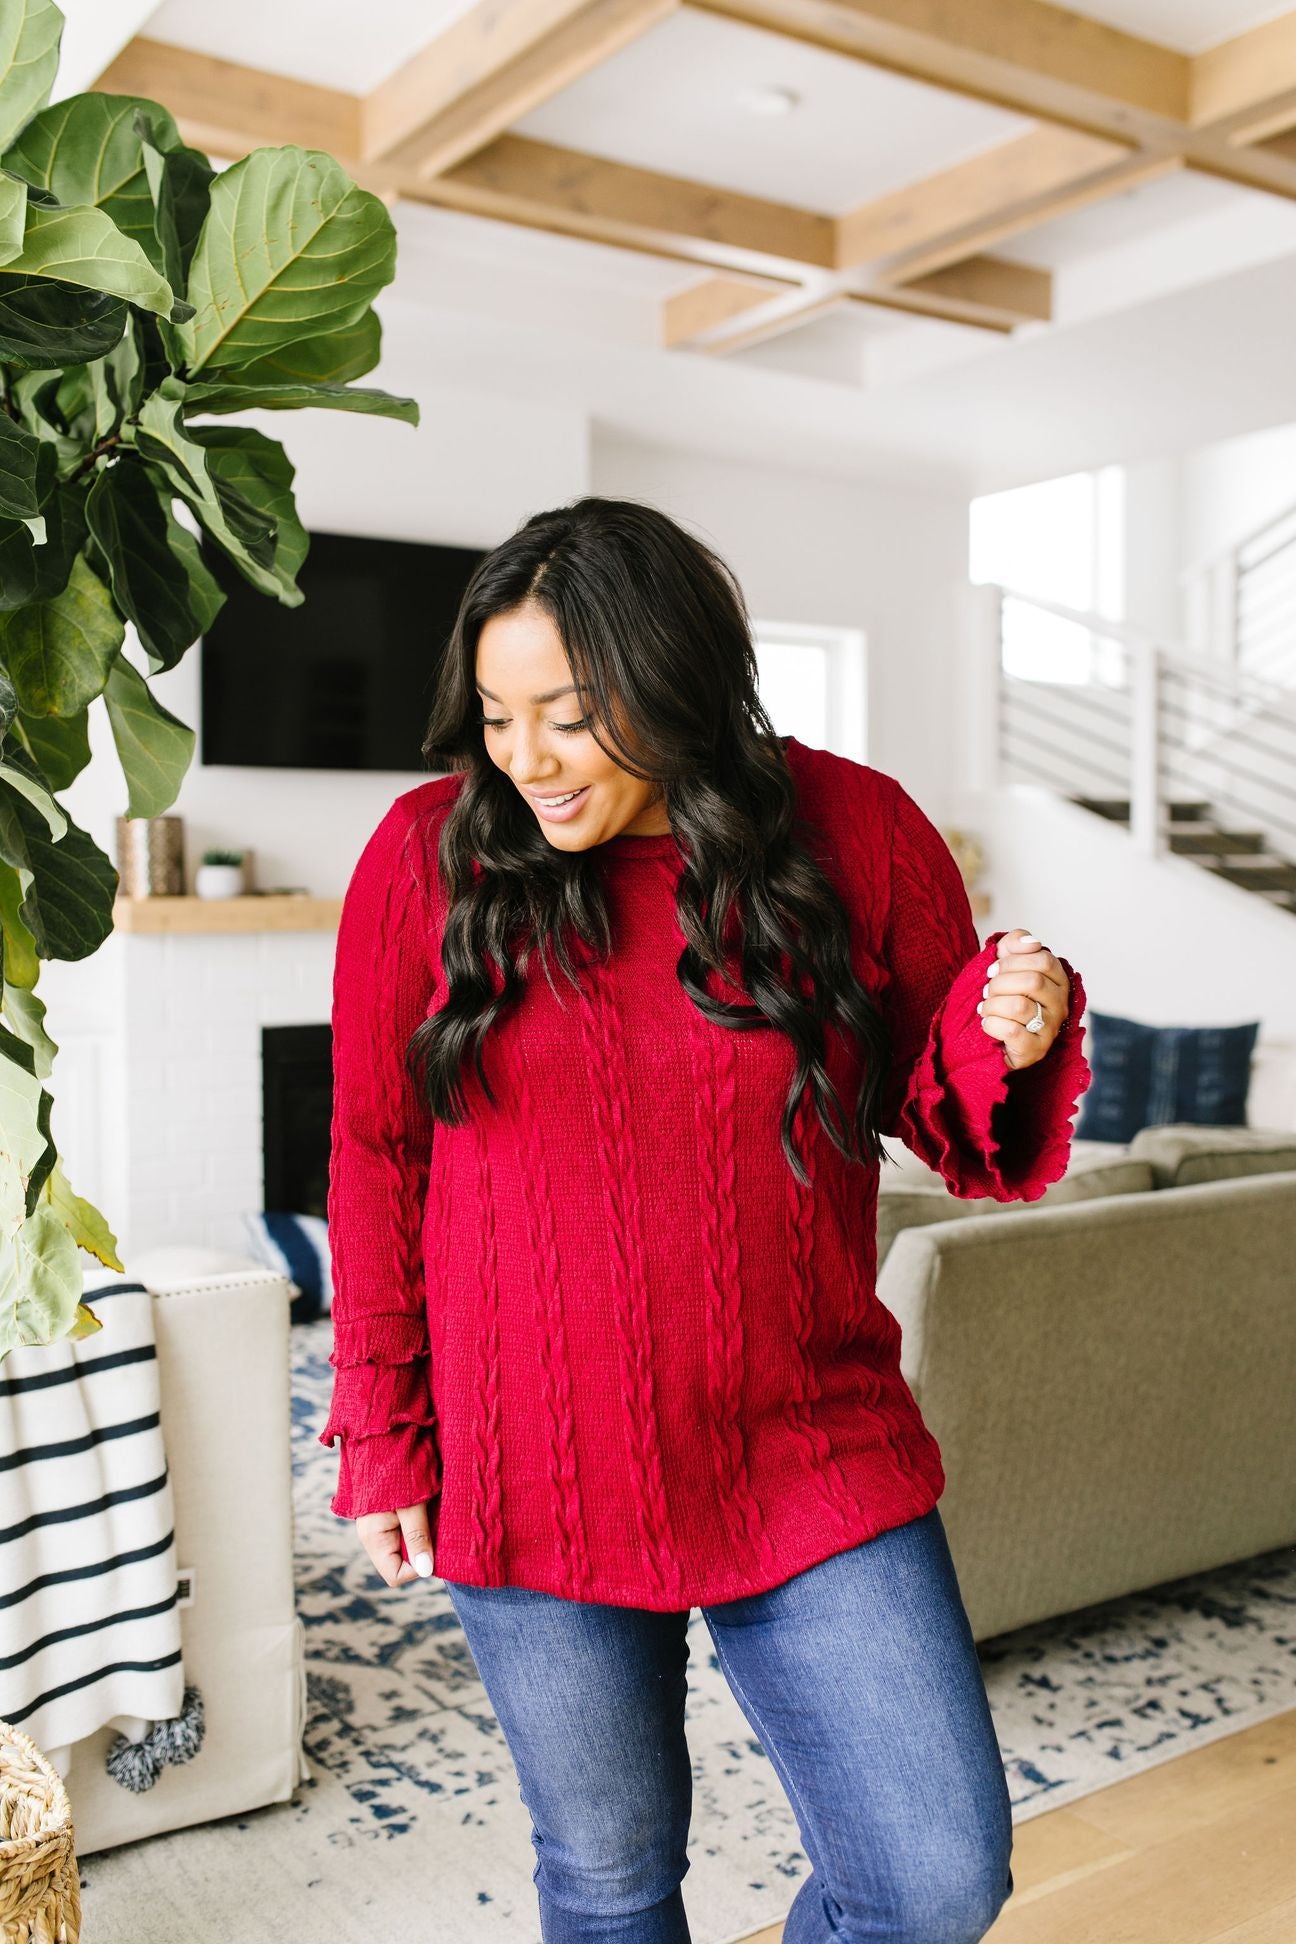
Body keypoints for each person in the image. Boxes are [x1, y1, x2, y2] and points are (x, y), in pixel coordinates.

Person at [320, 496, 1091, 1944]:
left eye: (568, 713)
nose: (526, 760)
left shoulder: (856, 826)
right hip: (531, 1457)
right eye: (497, 716)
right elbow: (374, 1155)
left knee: (933, 1880)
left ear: (674, 677)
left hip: (808, 1443)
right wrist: (383, 1431)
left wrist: (1013, 1028)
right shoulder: (425, 860)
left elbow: (940, 1107)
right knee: (610, 1886)